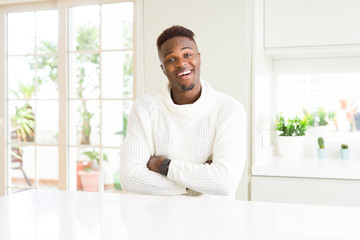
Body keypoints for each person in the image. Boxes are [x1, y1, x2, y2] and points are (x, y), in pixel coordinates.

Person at [119, 25, 246, 199]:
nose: (181, 63)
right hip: (158, 220)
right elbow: (130, 178)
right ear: (163, 68)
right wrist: (198, 184)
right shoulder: (145, 107)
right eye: (171, 59)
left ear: (199, 59)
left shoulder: (230, 110)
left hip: (213, 221)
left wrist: (163, 165)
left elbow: (225, 182)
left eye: (187, 55)